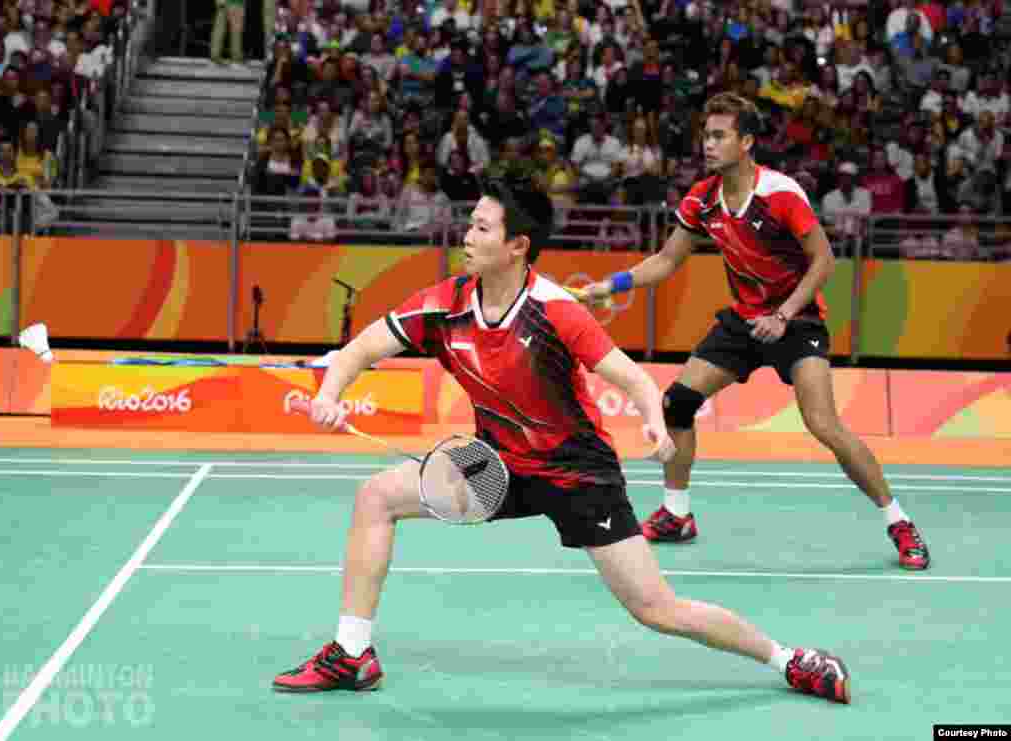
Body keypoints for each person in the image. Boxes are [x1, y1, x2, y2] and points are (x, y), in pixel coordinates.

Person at [272, 171, 851, 703]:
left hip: (578, 474)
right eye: (470, 223)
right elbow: (364, 347)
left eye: (481, 227)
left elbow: (629, 376)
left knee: (656, 608)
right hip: (499, 466)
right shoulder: (444, 305)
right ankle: (352, 654)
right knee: (376, 496)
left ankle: (790, 659)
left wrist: (654, 417)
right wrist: (329, 395)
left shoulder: (554, 311)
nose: (466, 235)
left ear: (518, 245)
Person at [580, 92, 931, 571]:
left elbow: (824, 261)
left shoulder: (781, 193)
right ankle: (677, 514)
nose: (709, 144)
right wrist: (612, 284)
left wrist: (783, 315)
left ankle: (899, 522)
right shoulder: (702, 198)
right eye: (706, 135)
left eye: (720, 135)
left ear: (746, 142)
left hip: (796, 319)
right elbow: (666, 260)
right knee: (677, 403)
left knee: (823, 423)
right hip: (743, 320)